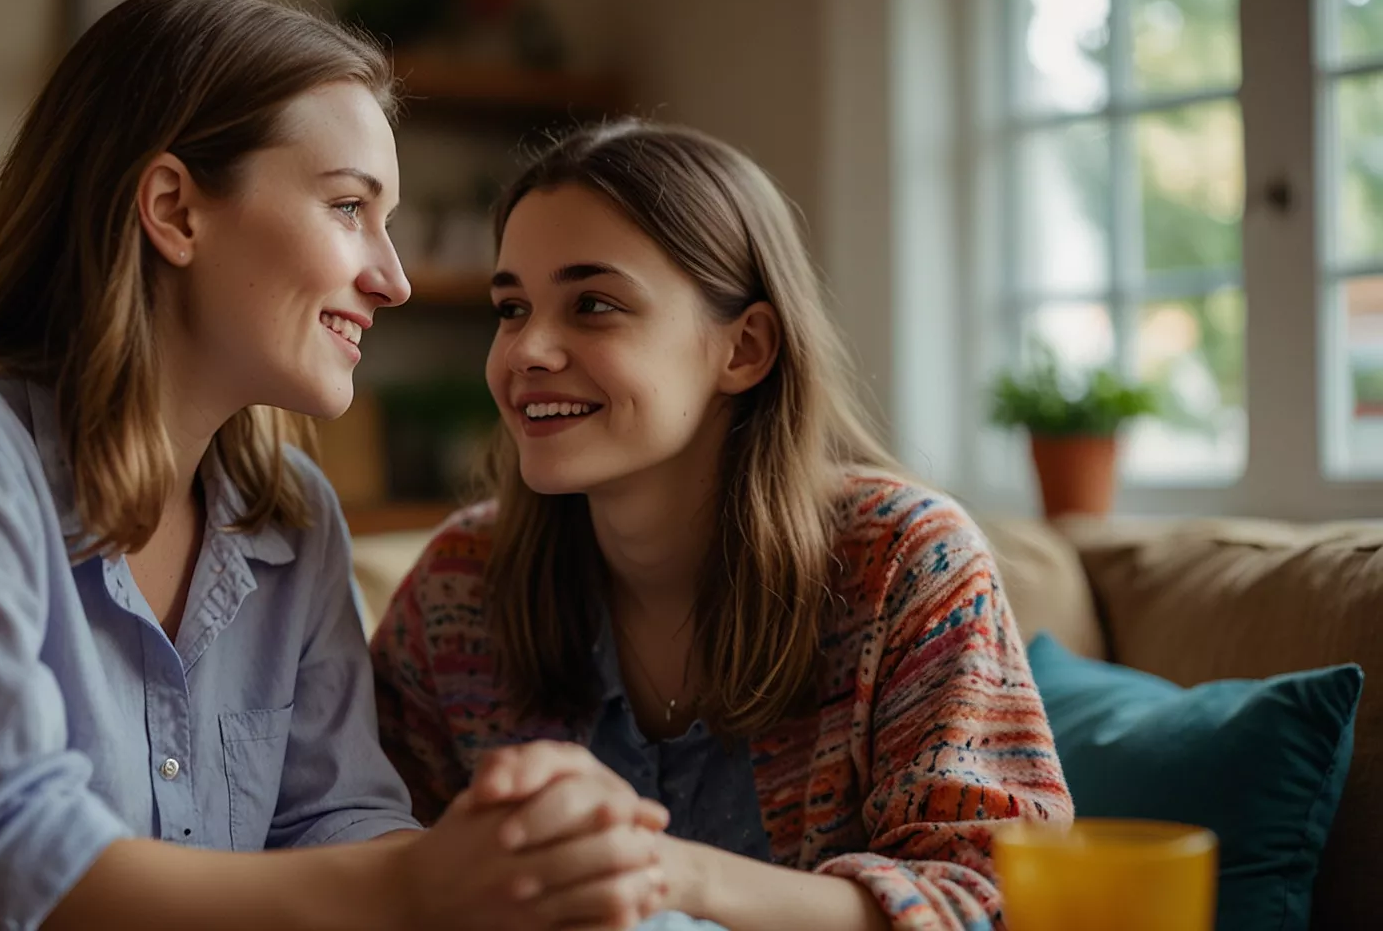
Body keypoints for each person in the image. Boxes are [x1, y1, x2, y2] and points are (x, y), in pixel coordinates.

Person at [0, 0, 670, 931]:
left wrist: (512, 870)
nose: (393, 279)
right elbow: (4, 869)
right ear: (175, 210)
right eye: (348, 208)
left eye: (388, 223)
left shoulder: (289, 513)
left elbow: (334, 821)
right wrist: (413, 885)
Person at [371, 120, 1075, 931]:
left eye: (593, 305)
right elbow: (365, 853)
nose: (527, 349)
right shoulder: (461, 587)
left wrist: (668, 872)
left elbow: (998, 898)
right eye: (511, 307)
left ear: (744, 348)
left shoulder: (906, 563)